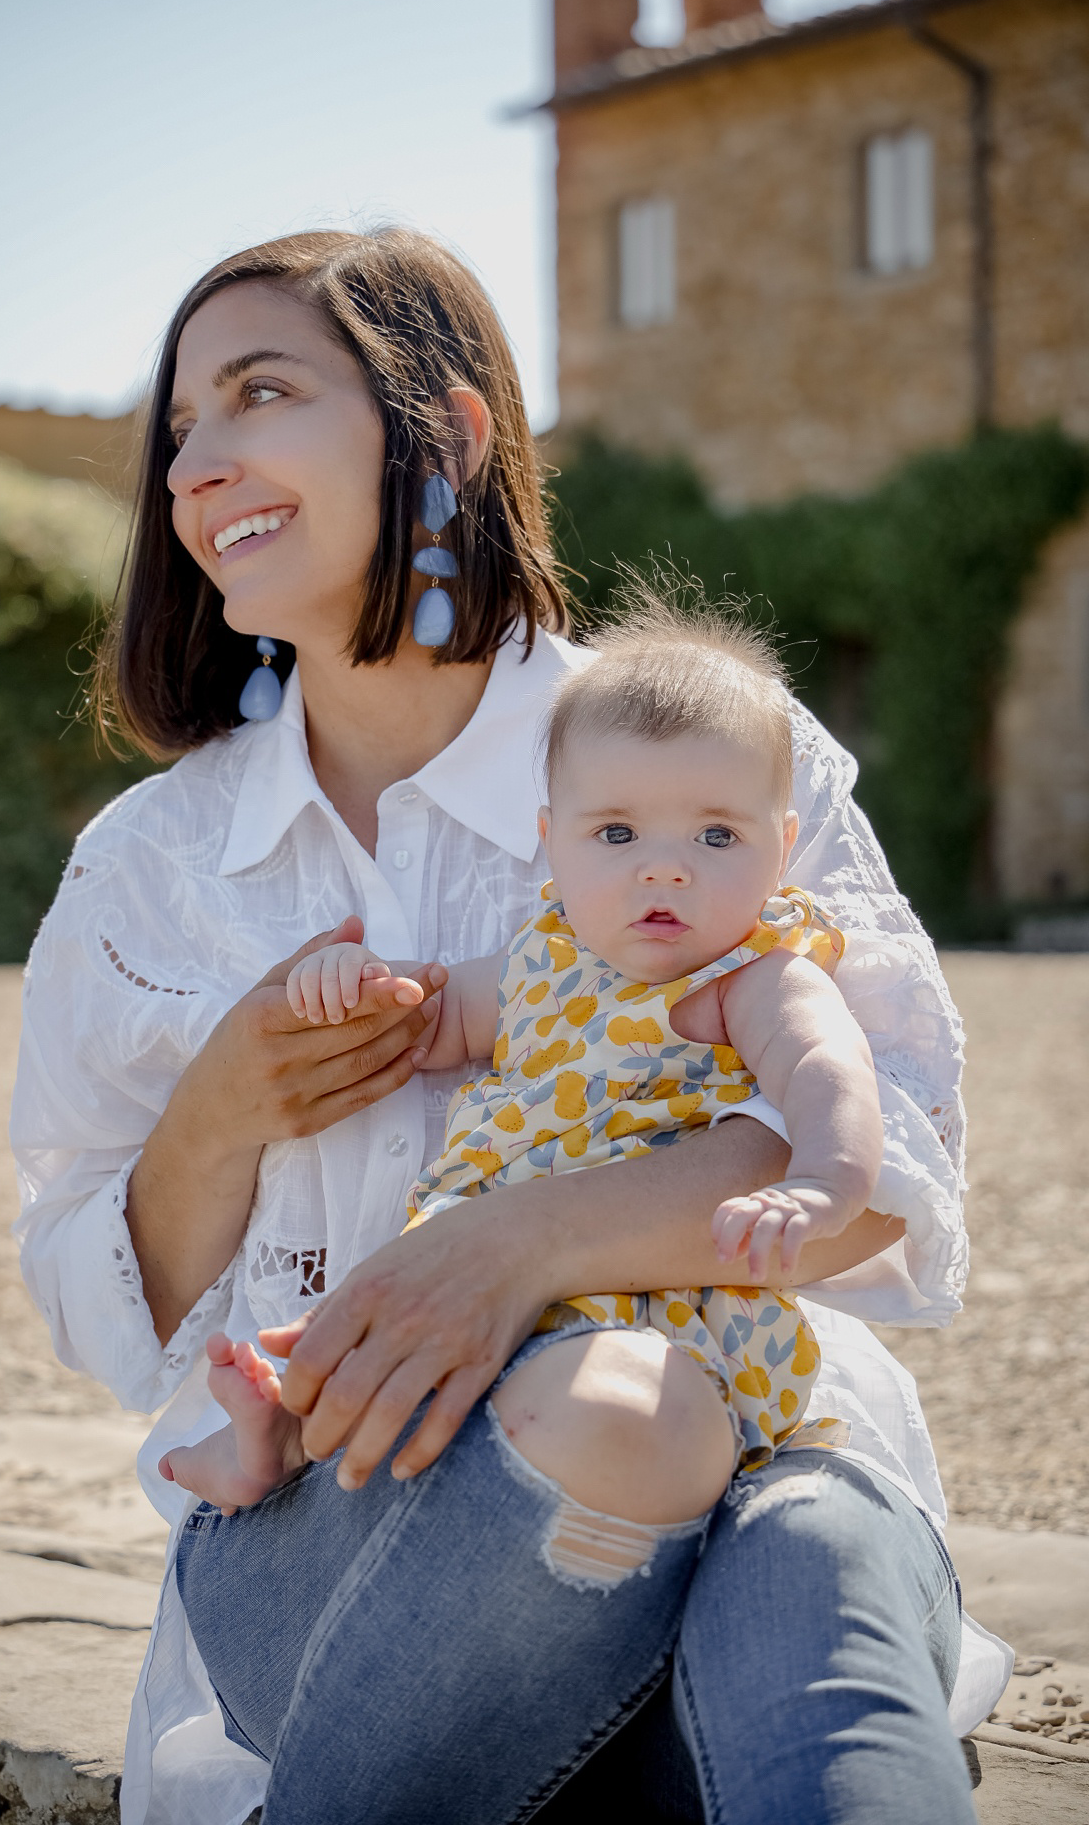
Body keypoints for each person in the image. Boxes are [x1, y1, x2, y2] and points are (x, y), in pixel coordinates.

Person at [10, 226, 1001, 1825]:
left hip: (758, 1450)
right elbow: (90, 1300)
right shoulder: (149, 869)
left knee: (806, 1542)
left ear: (449, 435)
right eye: (180, 426)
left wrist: (522, 1242)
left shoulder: (719, 753)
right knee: (635, 1428)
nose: (197, 464)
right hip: (339, 1537)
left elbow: (896, 1174)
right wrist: (214, 1116)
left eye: (260, 393)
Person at [162, 599, 884, 1526]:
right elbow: (420, 1020)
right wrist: (350, 983)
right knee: (380, 1331)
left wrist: (825, 1182)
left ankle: (346, 1451)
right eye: (617, 835)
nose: (665, 869)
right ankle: (271, 1432)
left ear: (781, 850)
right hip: (467, 1255)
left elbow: (829, 1070)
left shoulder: (752, 977)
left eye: (716, 836)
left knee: (500, 1384)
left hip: (640, 1292)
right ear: (552, 844)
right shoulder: (540, 960)